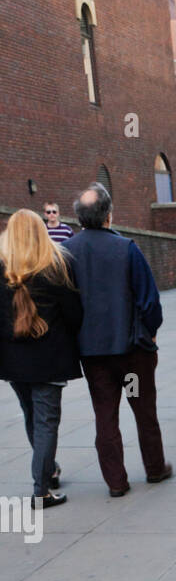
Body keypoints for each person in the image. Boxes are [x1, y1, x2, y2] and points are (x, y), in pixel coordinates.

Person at [65, 182, 171, 497]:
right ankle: (154, 468)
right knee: (143, 410)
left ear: (79, 218)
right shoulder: (126, 248)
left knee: (105, 414)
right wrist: (151, 333)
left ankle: (116, 481)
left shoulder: (67, 253)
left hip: (94, 354)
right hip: (131, 352)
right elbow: (149, 301)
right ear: (109, 215)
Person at [0, 209, 82, 508]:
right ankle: (41, 490)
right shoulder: (56, 265)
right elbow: (73, 314)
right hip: (50, 356)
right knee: (46, 421)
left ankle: (49, 470)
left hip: (13, 360)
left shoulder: (3, 267)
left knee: (32, 416)